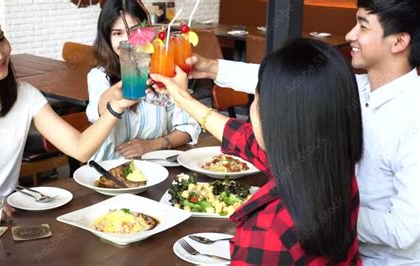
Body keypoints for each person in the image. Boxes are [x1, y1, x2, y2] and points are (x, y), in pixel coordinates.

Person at [185, 1, 420, 264]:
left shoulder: (414, 118)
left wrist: (311, 209)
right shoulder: (353, 86)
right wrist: (211, 68)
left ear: (399, 42)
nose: (350, 35)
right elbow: (286, 83)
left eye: (363, 26)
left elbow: (403, 230)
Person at [152, 38, 363, 265]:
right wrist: (183, 99)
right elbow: (243, 138)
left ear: (274, 119)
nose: (252, 107)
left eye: (256, 97)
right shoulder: (332, 169)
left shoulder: (268, 233)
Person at [0, 2, 136, 217]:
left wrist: (115, 107)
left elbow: (80, 148)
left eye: (1, 39)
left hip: (11, 215)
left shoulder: (24, 95)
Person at [86, 0, 200, 160]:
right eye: (118, 34)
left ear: (147, 32)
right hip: (110, 170)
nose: (128, 41)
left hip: (158, 168)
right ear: (107, 38)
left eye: (134, 31)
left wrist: (152, 145)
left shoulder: (163, 72)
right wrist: (121, 95)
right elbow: (101, 108)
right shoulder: (99, 77)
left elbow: (187, 129)